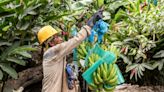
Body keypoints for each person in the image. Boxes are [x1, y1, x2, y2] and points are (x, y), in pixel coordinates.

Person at [37, 10, 103, 92]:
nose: (61, 38)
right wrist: (90, 24)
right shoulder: (52, 52)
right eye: (57, 37)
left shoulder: (53, 54)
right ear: (50, 42)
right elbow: (75, 41)